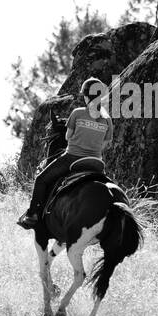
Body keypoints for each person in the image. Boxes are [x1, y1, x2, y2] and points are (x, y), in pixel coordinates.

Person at [18, 77, 112, 229]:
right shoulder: (107, 120)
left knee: (41, 179)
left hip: (73, 157)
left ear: (86, 96)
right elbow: (105, 145)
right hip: (96, 163)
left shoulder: (78, 113)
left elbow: (68, 137)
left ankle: (32, 214)